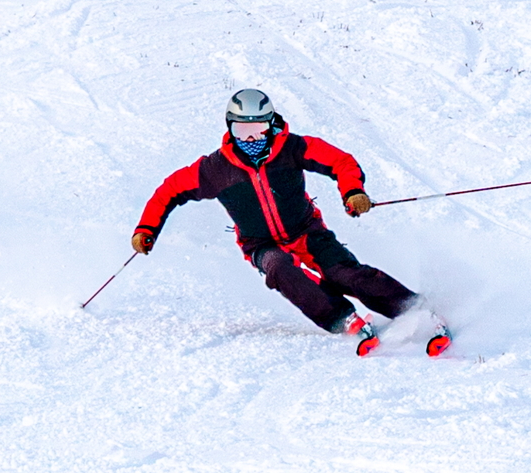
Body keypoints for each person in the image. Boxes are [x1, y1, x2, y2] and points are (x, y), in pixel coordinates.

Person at [132, 88, 447, 356]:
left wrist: (352, 191)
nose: (252, 138)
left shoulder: (292, 148)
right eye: (242, 131)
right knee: (279, 269)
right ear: (230, 129)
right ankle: (343, 319)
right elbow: (169, 190)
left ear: (272, 125)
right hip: (260, 244)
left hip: (306, 230)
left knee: (344, 275)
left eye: (259, 129)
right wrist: (147, 228)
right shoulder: (217, 169)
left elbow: (340, 161)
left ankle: (416, 309)